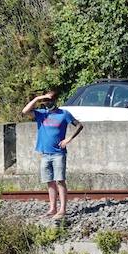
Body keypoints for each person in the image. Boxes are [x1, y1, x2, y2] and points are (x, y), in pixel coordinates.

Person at [22, 90, 83, 219]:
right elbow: (25, 111)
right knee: (49, 182)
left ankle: (62, 209)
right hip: (45, 154)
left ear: (54, 101)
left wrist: (68, 139)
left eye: (48, 101)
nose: (46, 103)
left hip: (58, 154)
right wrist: (39, 97)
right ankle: (52, 208)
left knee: (60, 180)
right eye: (44, 101)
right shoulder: (41, 114)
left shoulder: (64, 114)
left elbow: (79, 125)